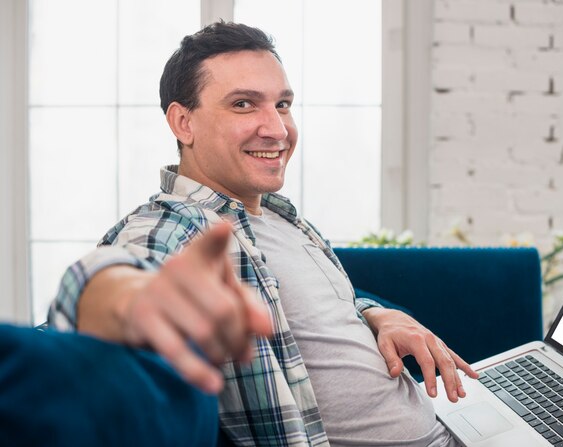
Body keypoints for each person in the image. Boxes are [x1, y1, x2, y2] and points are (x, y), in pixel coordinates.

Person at [48, 21, 478, 446]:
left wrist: (373, 314)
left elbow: (306, 312)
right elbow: (126, 271)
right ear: (183, 123)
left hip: (450, 425)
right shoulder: (183, 223)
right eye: (243, 105)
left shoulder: (280, 216)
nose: (277, 129)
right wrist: (118, 299)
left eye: (283, 104)